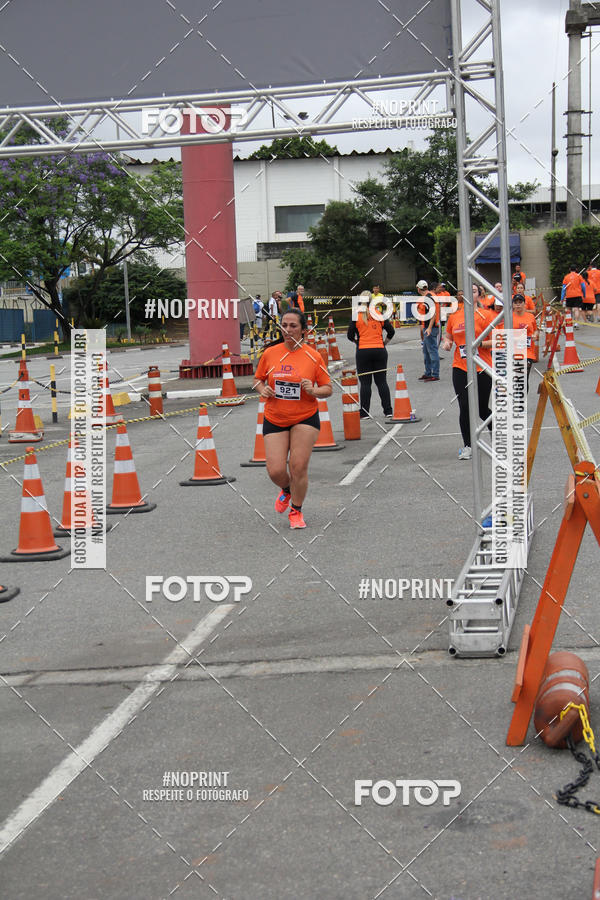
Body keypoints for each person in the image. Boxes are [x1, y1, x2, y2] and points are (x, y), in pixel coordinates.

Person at [254, 310, 332, 529]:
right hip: (275, 416)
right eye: (284, 326)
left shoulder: (313, 356)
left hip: (305, 417)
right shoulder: (270, 353)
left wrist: (314, 390)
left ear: (303, 331)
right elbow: (257, 380)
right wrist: (263, 389)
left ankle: (296, 510)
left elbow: (328, 388)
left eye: (292, 326)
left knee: (298, 466)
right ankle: (287, 489)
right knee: (276, 470)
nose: (287, 330)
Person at [441, 292, 494, 460]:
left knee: (482, 409)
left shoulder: (486, 315)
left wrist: (479, 345)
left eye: (474, 291)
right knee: (464, 406)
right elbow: (449, 338)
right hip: (460, 367)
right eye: (467, 292)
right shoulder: (454, 317)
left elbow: (498, 340)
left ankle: (498, 438)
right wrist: (447, 343)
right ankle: (468, 445)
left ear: (479, 295)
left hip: (482, 367)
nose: (470, 295)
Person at [347, 290, 394, 418]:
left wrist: (357, 342)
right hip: (379, 349)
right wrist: (384, 342)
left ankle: (364, 412)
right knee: (381, 382)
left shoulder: (356, 314)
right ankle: (388, 411)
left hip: (363, 350)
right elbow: (391, 331)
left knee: (365, 383)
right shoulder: (378, 313)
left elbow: (349, 335)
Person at [510, 292, 538, 391]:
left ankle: (521, 403)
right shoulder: (509, 318)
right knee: (515, 379)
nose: (518, 304)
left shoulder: (530, 316)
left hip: (528, 352)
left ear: (524, 304)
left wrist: (535, 335)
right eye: (515, 302)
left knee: (523, 378)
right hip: (513, 351)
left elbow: (535, 330)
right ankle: (516, 402)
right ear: (512, 304)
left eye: (520, 302)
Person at [415, 279, 440, 381]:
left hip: (431, 327)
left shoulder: (428, 297)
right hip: (429, 326)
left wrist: (429, 328)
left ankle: (435, 374)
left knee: (432, 351)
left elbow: (432, 313)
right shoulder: (429, 296)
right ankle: (428, 372)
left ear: (418, 288)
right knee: (426, 351)